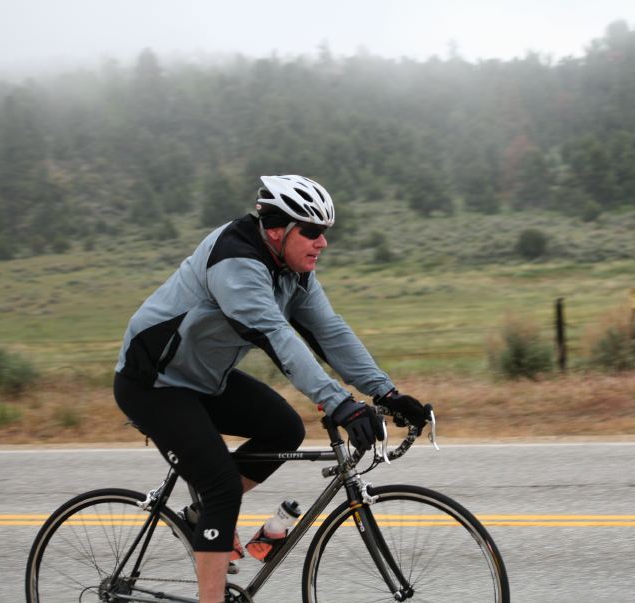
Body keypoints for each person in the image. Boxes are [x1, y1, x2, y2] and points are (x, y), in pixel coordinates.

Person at [113, 174, 428, 603]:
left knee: (283, 427)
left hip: (205, 380)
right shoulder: (236, 262)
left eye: (325, 234)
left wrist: (386, 394)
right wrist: (338, 404)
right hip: (153, 383)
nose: (322, 244)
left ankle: (203, 513)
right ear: (278, 230)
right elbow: (278, 338)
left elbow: (330, 333)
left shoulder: (291, 269)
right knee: (222, 485)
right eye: (313, 232)